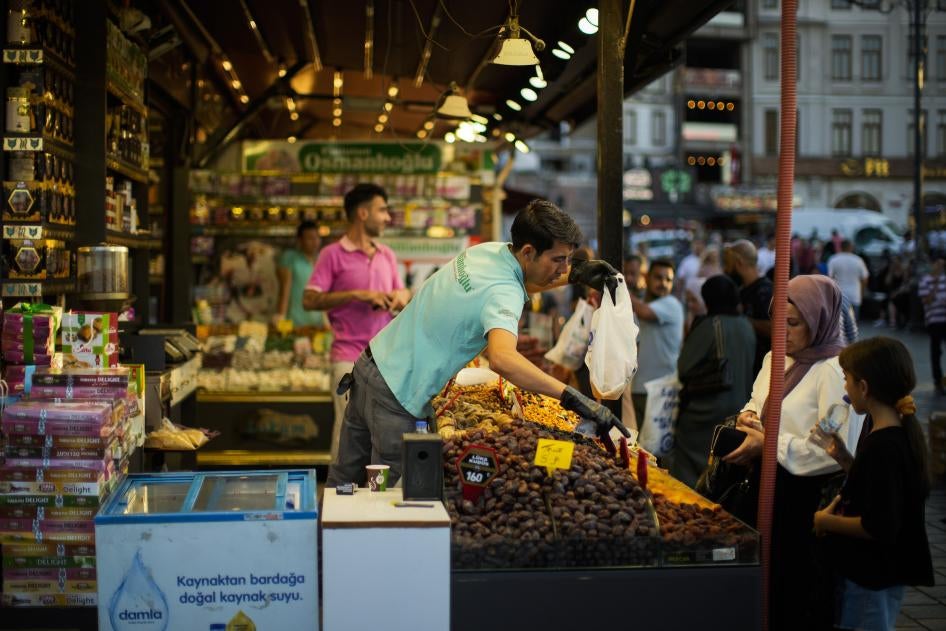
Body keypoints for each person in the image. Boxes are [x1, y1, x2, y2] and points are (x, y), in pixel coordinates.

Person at [326, 200, 627, 487]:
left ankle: (324, 541)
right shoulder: (505, 292)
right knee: (384, 500)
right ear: (527, 251)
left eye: (568, 261)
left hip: (368, 367)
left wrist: (576, 275)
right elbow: (502, 358)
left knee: (344, 484)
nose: (562, 269)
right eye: (558, 260)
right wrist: (571, 396)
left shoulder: (489, 253)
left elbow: (525, 280)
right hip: (396, 396)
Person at [724, 274, 864, 631]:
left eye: (793, 323)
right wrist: (749, 416)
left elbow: (833, 450)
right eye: (777, 322)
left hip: (806, 502)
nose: (782, 332)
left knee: (799, 592)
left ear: (819, 320)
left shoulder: (834, 372)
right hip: (765, 486)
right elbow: (758, 401)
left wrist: (768, 444)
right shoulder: (776, 358)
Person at [814, 337, 934, 631]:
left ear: (864, 387)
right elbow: (880, 492)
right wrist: (846, 460)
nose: (844, 388)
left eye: (847, 380)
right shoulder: (894, 433)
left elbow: (878, 524)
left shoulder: (884, 446)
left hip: (872, 574)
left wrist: (823, 520)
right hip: (881, 571)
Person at [304, 183, 411, 464]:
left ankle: (374, 499)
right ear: (363, 214)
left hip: (386, 360)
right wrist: (355, 295)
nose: (388, 217)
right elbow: (309, 299)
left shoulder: (386, 254)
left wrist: (398, 296)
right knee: (347, 433)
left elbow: (404, 294)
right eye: (383, 210)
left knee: (385, 433)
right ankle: (339, 497)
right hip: (347, 359)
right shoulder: (332, 254)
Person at [670, 275, 755, 488]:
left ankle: (689, 506)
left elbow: (684, 367)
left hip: (707, 412)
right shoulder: (746, 325)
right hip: (739, 411)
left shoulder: (711, 325)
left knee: (690, 467)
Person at [628, 259, 684, 430]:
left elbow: (644, 312)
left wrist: (620, 289)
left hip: (661, 391)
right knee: (641, 450)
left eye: (668, 280)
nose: (663, 284)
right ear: (647, 277)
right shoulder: (643, 304)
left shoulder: (671, 304)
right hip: (638, 388)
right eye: (658, 278)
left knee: (659, 450)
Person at [724, 239, 773, 375]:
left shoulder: (765, 291)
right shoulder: (740, 290)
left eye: (728, 264)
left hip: (761, 371)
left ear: (739, 262)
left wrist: (741, 321)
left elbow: (774, 329)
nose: (725, 269)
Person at [274, 221, 325, 328]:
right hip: (294, 323)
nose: (315, 242)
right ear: (300, 240)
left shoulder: (323, 259)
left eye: (317, 237)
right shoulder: (290, 258)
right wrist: (280, 316)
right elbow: (285, 289)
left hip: (318, 324)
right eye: (310, 238)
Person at [918, 258, 946, 396]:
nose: (940, 266)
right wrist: (935, 287)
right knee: (936, 352)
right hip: (934, 320)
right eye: (937, 263)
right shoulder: (925, 281)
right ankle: (938, 382)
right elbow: (926, 301)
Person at [828, 240, 869, 318]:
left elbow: (830, 279)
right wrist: (861, 293)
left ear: (841, 247)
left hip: (839, 297)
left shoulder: (833, 259)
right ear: (851, 247)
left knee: (838, 325)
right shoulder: (858, 260)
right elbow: (865, 279)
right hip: (854, 296)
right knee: (852, 325)